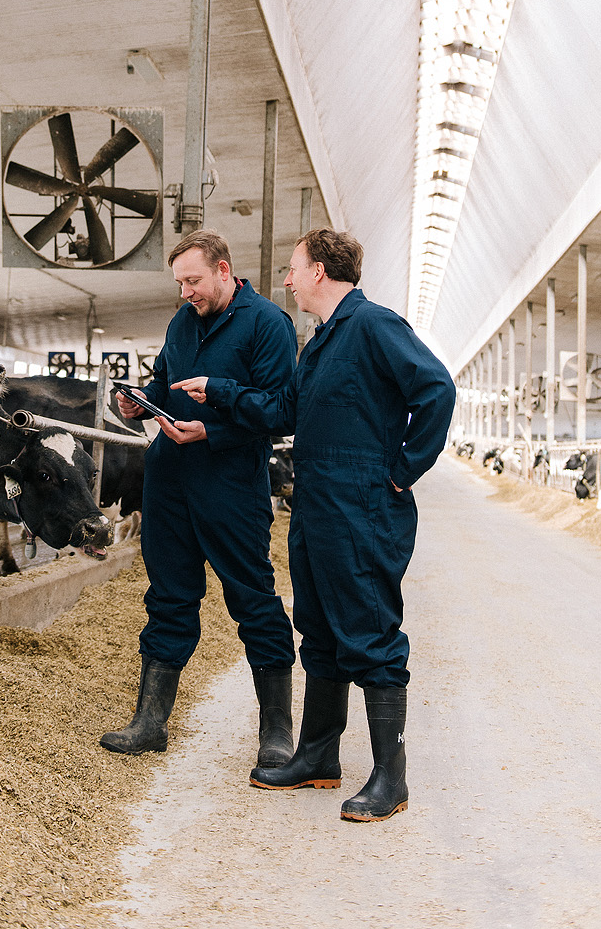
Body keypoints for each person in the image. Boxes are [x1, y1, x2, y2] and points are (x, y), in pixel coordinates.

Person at [172, 228, 455, 822]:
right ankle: (319, 756)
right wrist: (219, 392)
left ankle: (389, 779)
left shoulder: (375, 325)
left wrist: (402, 470)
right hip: (317, 502)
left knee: (370, 631)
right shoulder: (322, 342)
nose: (288, 279)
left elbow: (436, 389)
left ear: (321, 271)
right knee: (320, 629)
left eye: (294, 268)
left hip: (363, 504)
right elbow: (284, 411)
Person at [99, 229, 298, 765]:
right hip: (168, 484)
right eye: (179, 282)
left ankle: (277, 730)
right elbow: (164, 385)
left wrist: (215, 426)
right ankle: (149, 722)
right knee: (168, 598)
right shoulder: (181, 323)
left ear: (224, 271)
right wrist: (141, 404)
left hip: (231, 485)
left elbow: (283, 410)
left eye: (193, 280)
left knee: (253, 600)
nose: (186, 292)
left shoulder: (269, 325)